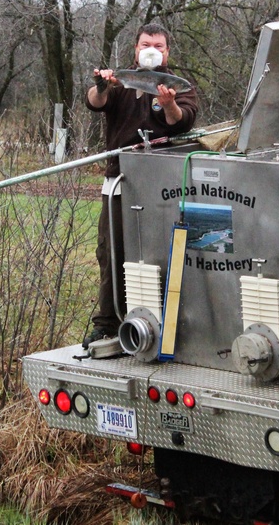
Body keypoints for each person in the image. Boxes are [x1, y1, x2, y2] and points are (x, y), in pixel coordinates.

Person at [83, 23, 199, 347]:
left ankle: (167, 324)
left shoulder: (178, 85)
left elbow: (183, 120)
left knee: (159, 253)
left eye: (159, 46)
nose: (152, 49)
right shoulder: (120, 80)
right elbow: (95, 102)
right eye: (146, 44)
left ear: (167, 52)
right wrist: (101, 85)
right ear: (136, 49)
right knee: (110, 252)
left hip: (163, 185)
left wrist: (169, 103)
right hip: (119, 180)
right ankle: (108, 323)